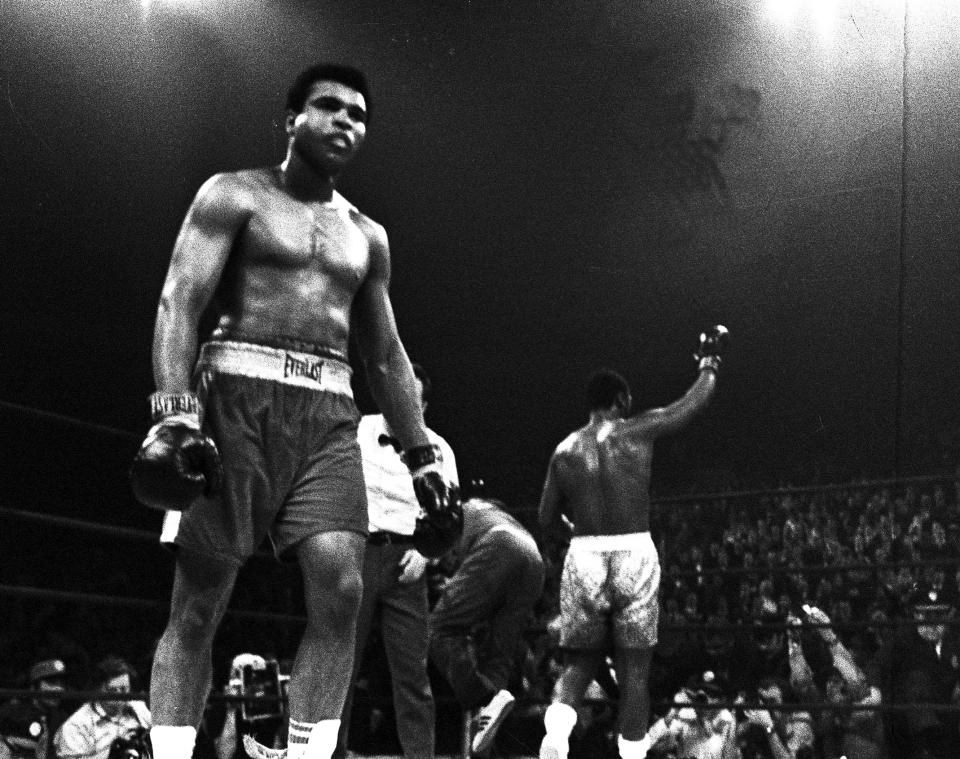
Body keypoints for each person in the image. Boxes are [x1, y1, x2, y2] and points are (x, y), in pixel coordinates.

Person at [130, 63, 459, 759]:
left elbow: (386, 355)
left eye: (359, 114)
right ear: (292, 118)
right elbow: (179, 302)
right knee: (198, 602)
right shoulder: (233, 195)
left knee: (341, 590)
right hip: (234, 400)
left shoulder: (368, 235)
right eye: (330, 107)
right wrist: (174, 413)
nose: (346, 121)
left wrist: (422, 452)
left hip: (329, 413)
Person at [537, 325, 728, 759]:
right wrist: (709, 361)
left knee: (579, 662)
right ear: (621, 400)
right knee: (635, 669)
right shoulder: (635, 431)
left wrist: (578, 531)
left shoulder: (564, 451)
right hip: (634, 552)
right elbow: (693, 403)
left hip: (585, 553)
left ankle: (555, 738)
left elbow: (545, 518)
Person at [333, 363, 459, 759]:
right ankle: (324, 753)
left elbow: (450, 520)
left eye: (410, 399)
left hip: (409, 560)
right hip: (359, 554)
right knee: (340, 664)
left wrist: (427, 555)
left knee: (412, 672)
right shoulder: (358, 429)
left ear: (422, 405)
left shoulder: (440, 450)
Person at [429, 497, 545, 756]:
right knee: (498, 652)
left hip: (498, 547)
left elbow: (450, 561)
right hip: (533, 559)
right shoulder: (486, 512)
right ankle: (484, 740)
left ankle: (485, 699)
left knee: (438, 629)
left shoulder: (452, 516)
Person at [787, 605, 887, 759]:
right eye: (831, 683)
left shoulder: (864, 697)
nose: (833, 686)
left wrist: (828, 633)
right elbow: (801, 682)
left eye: (837, 682)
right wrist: (794, 642)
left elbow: (854, 678)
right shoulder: (827, 708)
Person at [53, 657, 151, 759]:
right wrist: (109, 755)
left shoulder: (138, 707)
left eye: (123, 689)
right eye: (112, 690)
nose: (119, 696)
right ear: (98, 689)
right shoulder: (75, 726)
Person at [641, 671, 738, 759]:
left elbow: (729, 755)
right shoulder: (686, 715)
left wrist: (703, 718)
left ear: (722, 700)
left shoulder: (727, 720)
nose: (706, 699)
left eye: (712, 695)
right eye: (702, 694)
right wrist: (673, 711)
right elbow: (650, 745)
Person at [0, 659, 69, 759]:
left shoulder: (62, 719)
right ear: (34, 687)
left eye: (61, 683)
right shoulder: (11, 712)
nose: (59, 688)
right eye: (52, 682)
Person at [735, 677, 814, 759]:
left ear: (785, 699)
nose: (768, 707)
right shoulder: (764, 717)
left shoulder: (801, 720)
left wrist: (769, 728)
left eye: (772, 701)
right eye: (764, 701)